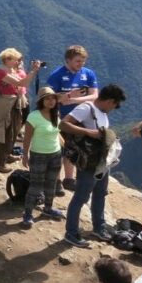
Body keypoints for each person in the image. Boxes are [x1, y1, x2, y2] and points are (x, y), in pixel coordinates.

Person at [60, 84, 126, 248]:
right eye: (115, 105)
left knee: (100, 193)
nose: (114, 108)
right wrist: (90, 133)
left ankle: (99, 226)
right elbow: (63, 124)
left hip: (102, 161)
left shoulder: (102, 111)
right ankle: (71, 233)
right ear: (110, 101)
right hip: (88, 161)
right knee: (81, 197)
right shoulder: (86, 108)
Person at [47, 45, 99, 194]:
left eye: (83, 61)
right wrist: (69, 96)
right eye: (77, 61)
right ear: (68, 60)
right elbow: (51, 98)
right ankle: (56, 181)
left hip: (81, 118)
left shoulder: (88, 74)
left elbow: (95, 95)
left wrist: (75, 100)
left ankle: (69, 179)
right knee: (58, 149)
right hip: (59, 117)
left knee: (73, 149)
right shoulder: (56, 75)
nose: (81, 64)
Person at [20, 87, 66, 228]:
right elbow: (27, 138)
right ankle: (27, 214)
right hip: (38, 155)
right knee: (36, 186)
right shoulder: (34, 116)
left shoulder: (55, 114)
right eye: (47, 98)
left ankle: (48, 208)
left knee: (51, 183)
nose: (51, 101)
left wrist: (63, 144)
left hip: (55, 154)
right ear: (41, 101)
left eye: (53, 98)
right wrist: (25, 155)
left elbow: (56, 132)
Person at [0, 49, 42, 173]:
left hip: (15, 104)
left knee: (14, 130)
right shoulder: (1, 72)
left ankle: (7, 155)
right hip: (5, 105)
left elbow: (21, 84)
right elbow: (21, 82)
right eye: (16, 59)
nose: (18, 62)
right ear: (7, 59)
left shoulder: (11, 71)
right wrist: (34, 70)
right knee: (5, 131)